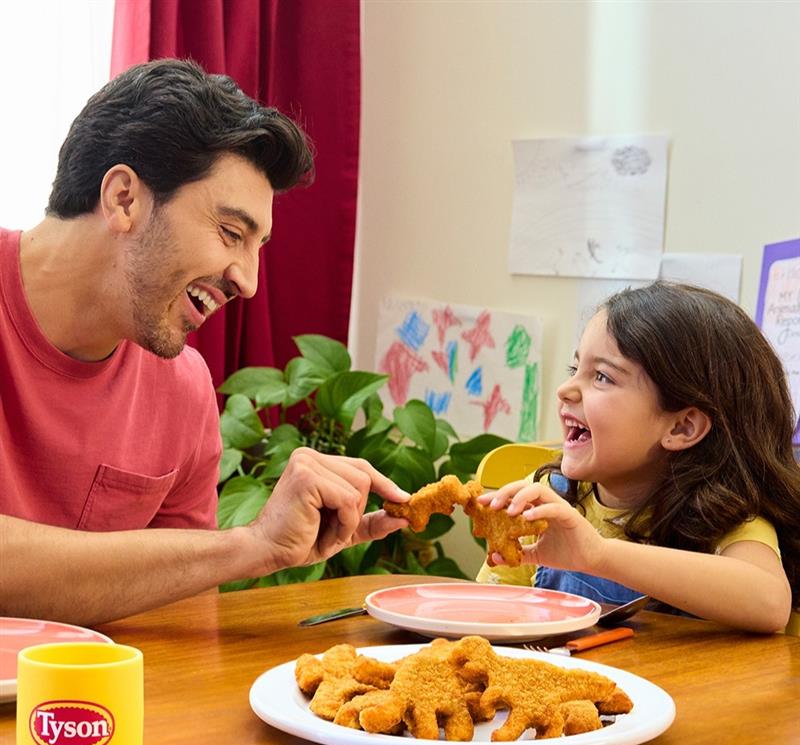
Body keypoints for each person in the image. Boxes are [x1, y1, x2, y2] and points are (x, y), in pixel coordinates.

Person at [0, 59, 409, 626]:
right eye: (231, 233)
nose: (248, 280)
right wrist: (251, 546)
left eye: (256, 247)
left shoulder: (183, 389)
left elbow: (181, 621)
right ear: (123, 198)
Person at [476, 281, 799, 634]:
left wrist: (598, 554)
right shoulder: (546, 500)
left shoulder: (723, 514)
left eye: (601, 376)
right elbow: (486, 616)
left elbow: (769, 604)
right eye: (575, 370)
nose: (565, 390)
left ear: (682, 427)